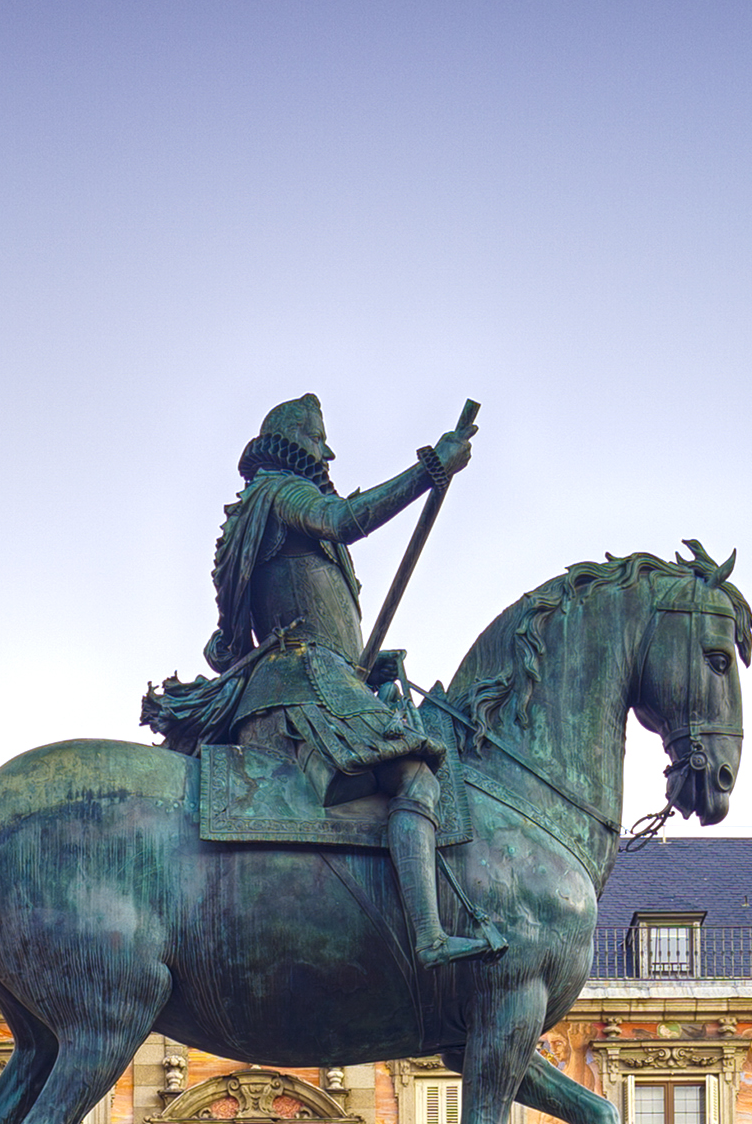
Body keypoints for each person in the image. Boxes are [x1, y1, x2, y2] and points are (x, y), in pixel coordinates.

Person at [147, 394, 498, 969]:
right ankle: (430, 938)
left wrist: (364, 662)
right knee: (415, 779)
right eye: (319, 447)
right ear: (298, 449)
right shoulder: (280, 493)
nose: (326, 461)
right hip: (300, 689)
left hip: (320, 677)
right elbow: (344, 521)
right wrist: (430, 469)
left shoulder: (268, 513)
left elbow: (307, 614)